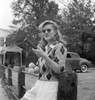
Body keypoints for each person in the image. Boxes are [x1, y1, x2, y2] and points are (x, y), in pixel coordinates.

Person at [20, 20, 67, 100]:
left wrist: (43, 55)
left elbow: (60, 69)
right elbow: (43, 69)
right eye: (43, 31)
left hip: (49, 87)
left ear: (55, 32)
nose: (46, 32)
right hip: (39, 84)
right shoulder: (45, 48)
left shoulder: (59, 47)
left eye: (48, 30)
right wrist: (35, 68)